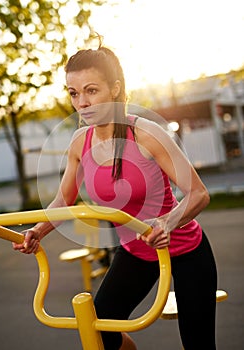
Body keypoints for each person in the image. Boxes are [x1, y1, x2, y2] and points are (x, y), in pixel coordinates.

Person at [13, 39, 217, 350]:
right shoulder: (80, 142)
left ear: (115, 89)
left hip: (186, 249)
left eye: (91, 90)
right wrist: (38, 230)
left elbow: (199, 194)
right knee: (98, 330)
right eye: (73, 93)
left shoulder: (146, 133)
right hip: (136, 252)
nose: (81, 102)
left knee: (198, 343)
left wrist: (168, 222)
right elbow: (64, 200)